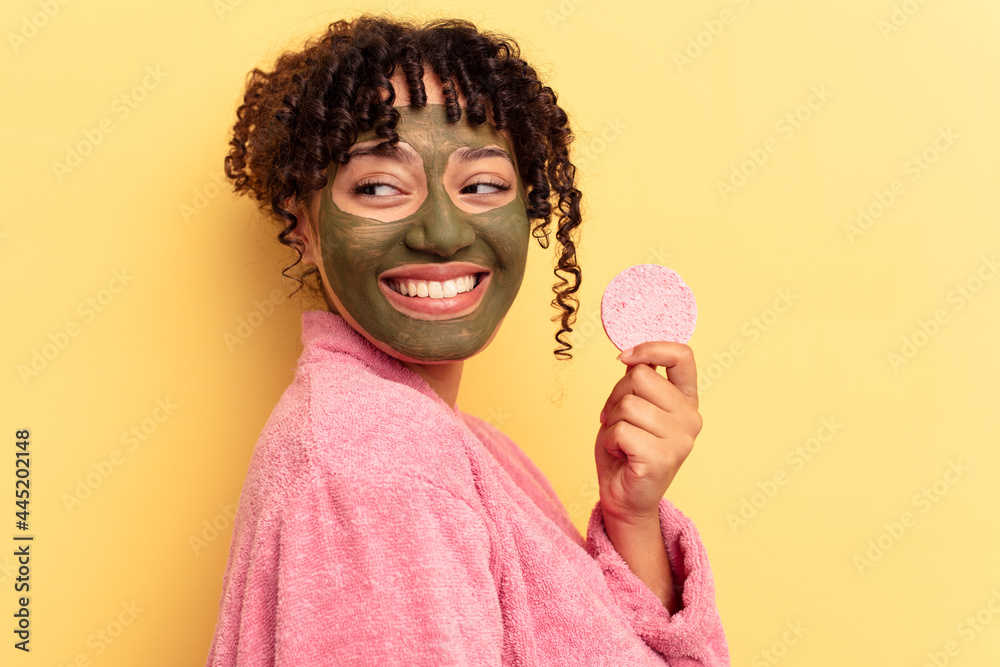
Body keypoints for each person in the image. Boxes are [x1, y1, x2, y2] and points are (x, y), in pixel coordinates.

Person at [206, 14, 729, 666]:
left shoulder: (462, 444)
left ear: (527, 207)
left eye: (482, 185)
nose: (445, 233)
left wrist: (632, 518)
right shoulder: (377, 461)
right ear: (301, 223)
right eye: (379, 186)